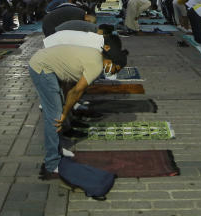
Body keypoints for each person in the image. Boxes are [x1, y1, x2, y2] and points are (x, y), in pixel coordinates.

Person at [28, 35, 128, 180]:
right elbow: (76, 92)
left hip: (46, 63)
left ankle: (57, 150)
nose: (113, 72)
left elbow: (70, 83)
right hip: (42, 67)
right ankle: (51, 162)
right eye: (115, 68)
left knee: (59, 109)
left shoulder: (96, 55)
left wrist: (64, 105)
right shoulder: (96, 66)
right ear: (110, 61)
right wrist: (63, 113)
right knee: (55, 117)